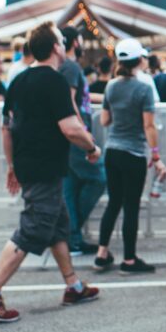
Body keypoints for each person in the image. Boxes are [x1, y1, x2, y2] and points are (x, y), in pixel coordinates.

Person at [0, 22, 101, 323]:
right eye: (61, 41)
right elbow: (70, 127)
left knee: (58, 223)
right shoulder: (54, 81)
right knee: (34, 227)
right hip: (45, 166)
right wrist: (91, 147)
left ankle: (74, 286)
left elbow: (6, 128)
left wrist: (12, 165)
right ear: (56, 47)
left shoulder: (18, 80)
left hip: (30, 164)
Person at [92, 38, 165, 275]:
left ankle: (102, 253)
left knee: (114, 202)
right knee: (131, 206)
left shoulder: (111, 86)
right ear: (140, 60)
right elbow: (149, 126)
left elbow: (104, 120)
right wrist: (155, 155)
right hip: (133, 153)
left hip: (112, 151)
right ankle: (130, 260)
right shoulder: (144, 88)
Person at [59, 26, 105, 255]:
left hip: (71, 137)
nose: (82, 44)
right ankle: (72, 233)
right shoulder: (69, 66)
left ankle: (72, 237)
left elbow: (80, 97)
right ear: (74, 42)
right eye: (80, 39)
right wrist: (83, 131)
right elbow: (70, 101)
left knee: (71, 186)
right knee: (98, 178)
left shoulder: (68, 67)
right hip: (76, 136)